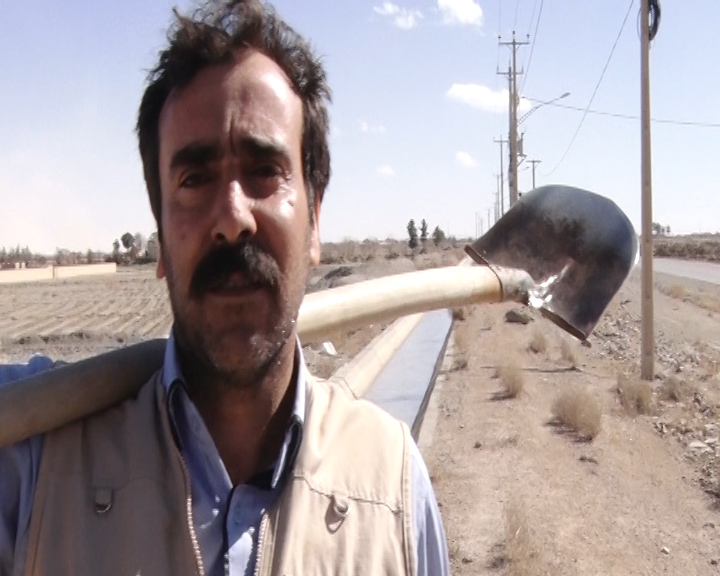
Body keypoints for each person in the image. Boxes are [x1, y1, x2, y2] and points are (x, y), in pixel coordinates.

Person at [0, 1, 450, 575]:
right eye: (194, 179)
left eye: (264, 171)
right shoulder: (35, 462)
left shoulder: (394, 492)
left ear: (315, 218)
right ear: (161, 237)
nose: (232, 218)